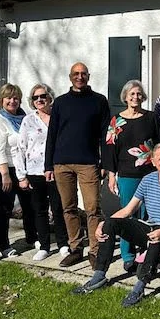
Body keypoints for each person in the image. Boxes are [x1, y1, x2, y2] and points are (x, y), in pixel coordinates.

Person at [72, 144, 160, 307]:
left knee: (156, 238)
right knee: (112, 224)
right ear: (153, 161)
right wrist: (103, 224)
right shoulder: (148, 180)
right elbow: (128, 209)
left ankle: (140, 287)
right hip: (150, 228)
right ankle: (99, 275)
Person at [44, 61, 110, 268]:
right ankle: (75, 249)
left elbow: (105, 136)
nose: (79, 77)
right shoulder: (61, 103)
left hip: (89, 163)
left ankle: (95, 251)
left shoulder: (99, 101)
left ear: (88, 76)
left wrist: (105, 162)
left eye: (83, 74)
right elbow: (52, 135)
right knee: (68, 208)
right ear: (70, 76)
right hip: (62, 164)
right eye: (76, 73)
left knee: (92, 208)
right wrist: (48, 165)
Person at [104, 80, 160, 267]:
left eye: (138, 94)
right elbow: (109, 150)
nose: (135, 97)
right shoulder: (116, 121)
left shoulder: (152, 118)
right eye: (131, 94)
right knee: (127, 215)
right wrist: (112, 175)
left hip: (149, 174)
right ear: (125, 97)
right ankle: (128, 256)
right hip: (127, 174)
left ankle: (147, 254)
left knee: (149, 215)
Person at [16, 84, 67, 262]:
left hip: (57, 170)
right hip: (34, 171)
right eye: (35, 97)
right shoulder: (28, 121)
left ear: (50, 97)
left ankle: (63, 244)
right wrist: (21, 176)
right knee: (40, 210)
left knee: (59, 208)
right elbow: (20, 148)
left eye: (43, 96)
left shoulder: (59, 117)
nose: (39, 100)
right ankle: (44, 246)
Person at [0, 83, 37, 258]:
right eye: (8, 98)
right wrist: (4, 175)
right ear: (1, 100)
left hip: (26, 168)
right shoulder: (0, 121)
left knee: (29, 206)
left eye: (16, 97)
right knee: (5, 208)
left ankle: (31, 237)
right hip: (7, 170)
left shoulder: (26, 117)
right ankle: (2, 244)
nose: (12, 101)